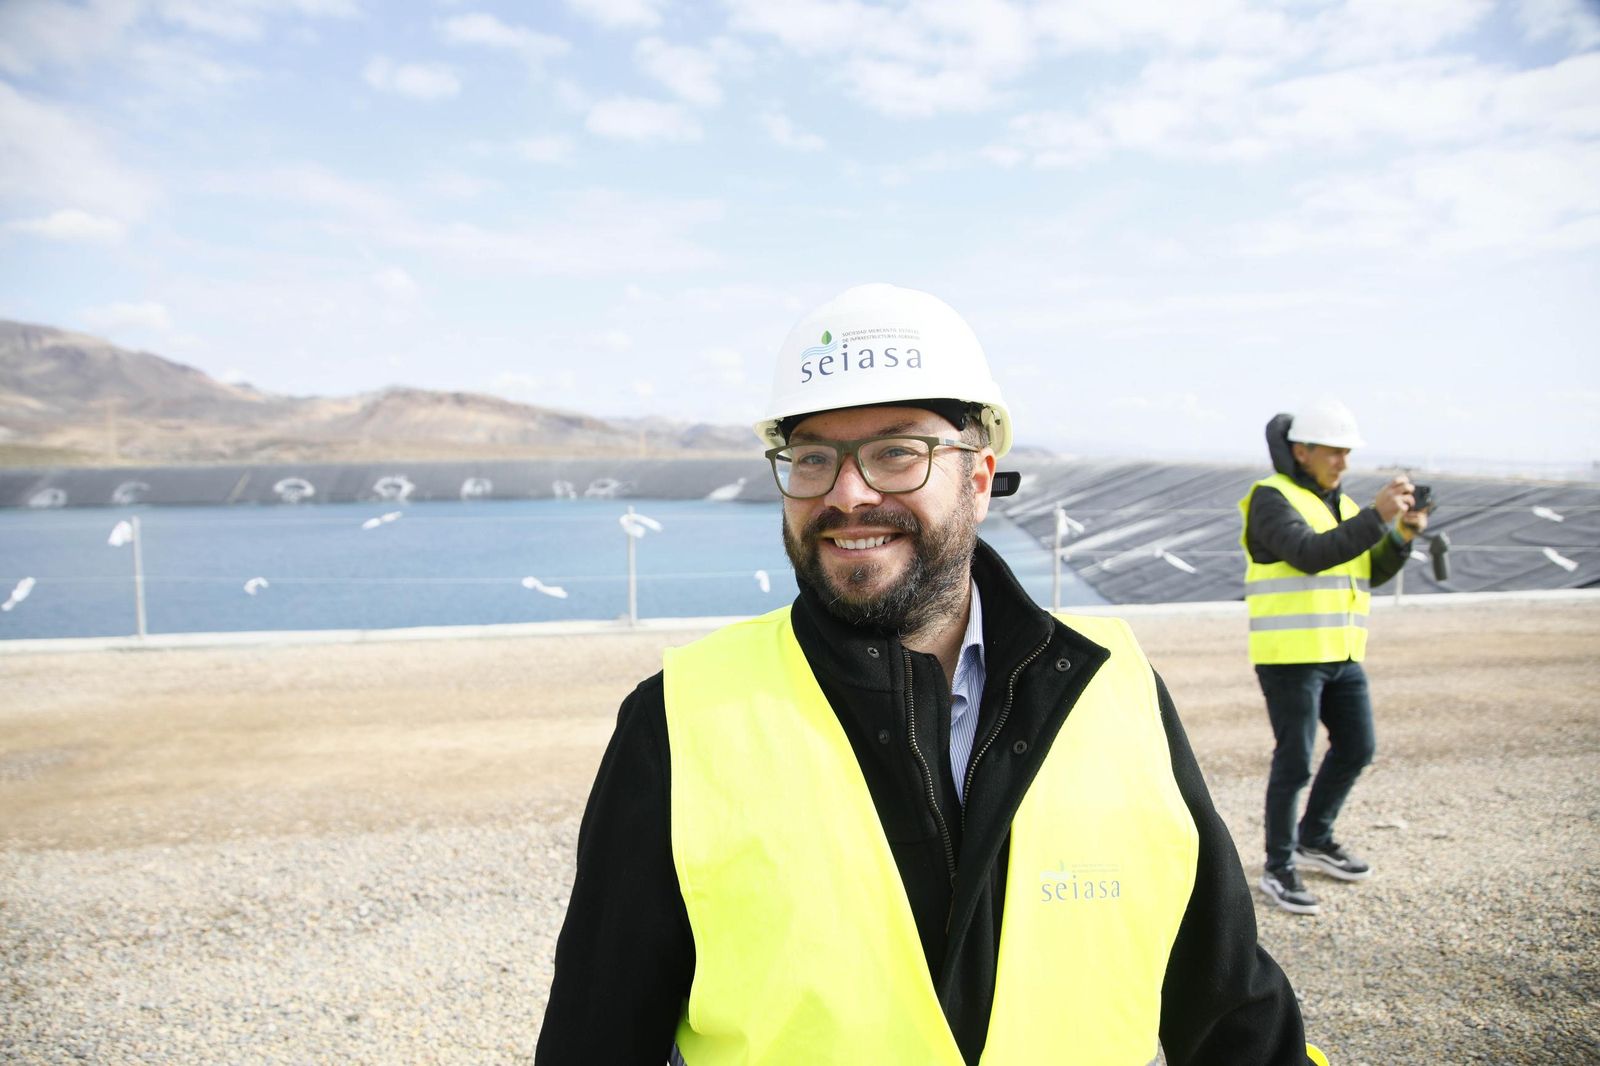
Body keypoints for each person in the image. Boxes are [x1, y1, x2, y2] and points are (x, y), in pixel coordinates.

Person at [537, 284, 1320, 1064]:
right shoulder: (680, 718)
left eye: (896, 453)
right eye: (813, 458)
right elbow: (596, 1035)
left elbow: (1227, 1004)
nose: (847, 493)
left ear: (978, 479)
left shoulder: (1114, 688)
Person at [1240, 400, 1428, 916]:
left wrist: (1403, 535)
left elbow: (1369, 571)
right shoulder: (1271, 499)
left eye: (1347, 453)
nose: (1343, 462)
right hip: (1290, 657)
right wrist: (1378, 516)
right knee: (1295, 761)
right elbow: (1309, 555)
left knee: (1358, 747)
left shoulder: (1343, 508)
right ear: (1301, 451)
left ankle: (1314, 837)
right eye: (1335, 452)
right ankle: (1279, 866)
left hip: (1341, 652)